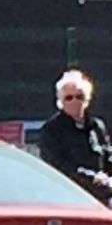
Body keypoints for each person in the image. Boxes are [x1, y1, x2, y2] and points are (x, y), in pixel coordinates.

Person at [39, 70, 112, 202]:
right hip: (68, 196)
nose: (75, 101)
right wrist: (92, 178)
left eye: (79, 96)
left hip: (101, 195)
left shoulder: (97, 126)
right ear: (60, 102)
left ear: (87, 99)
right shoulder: (51, 130)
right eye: (69, 98)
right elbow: (57, 166)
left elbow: (108, 155)